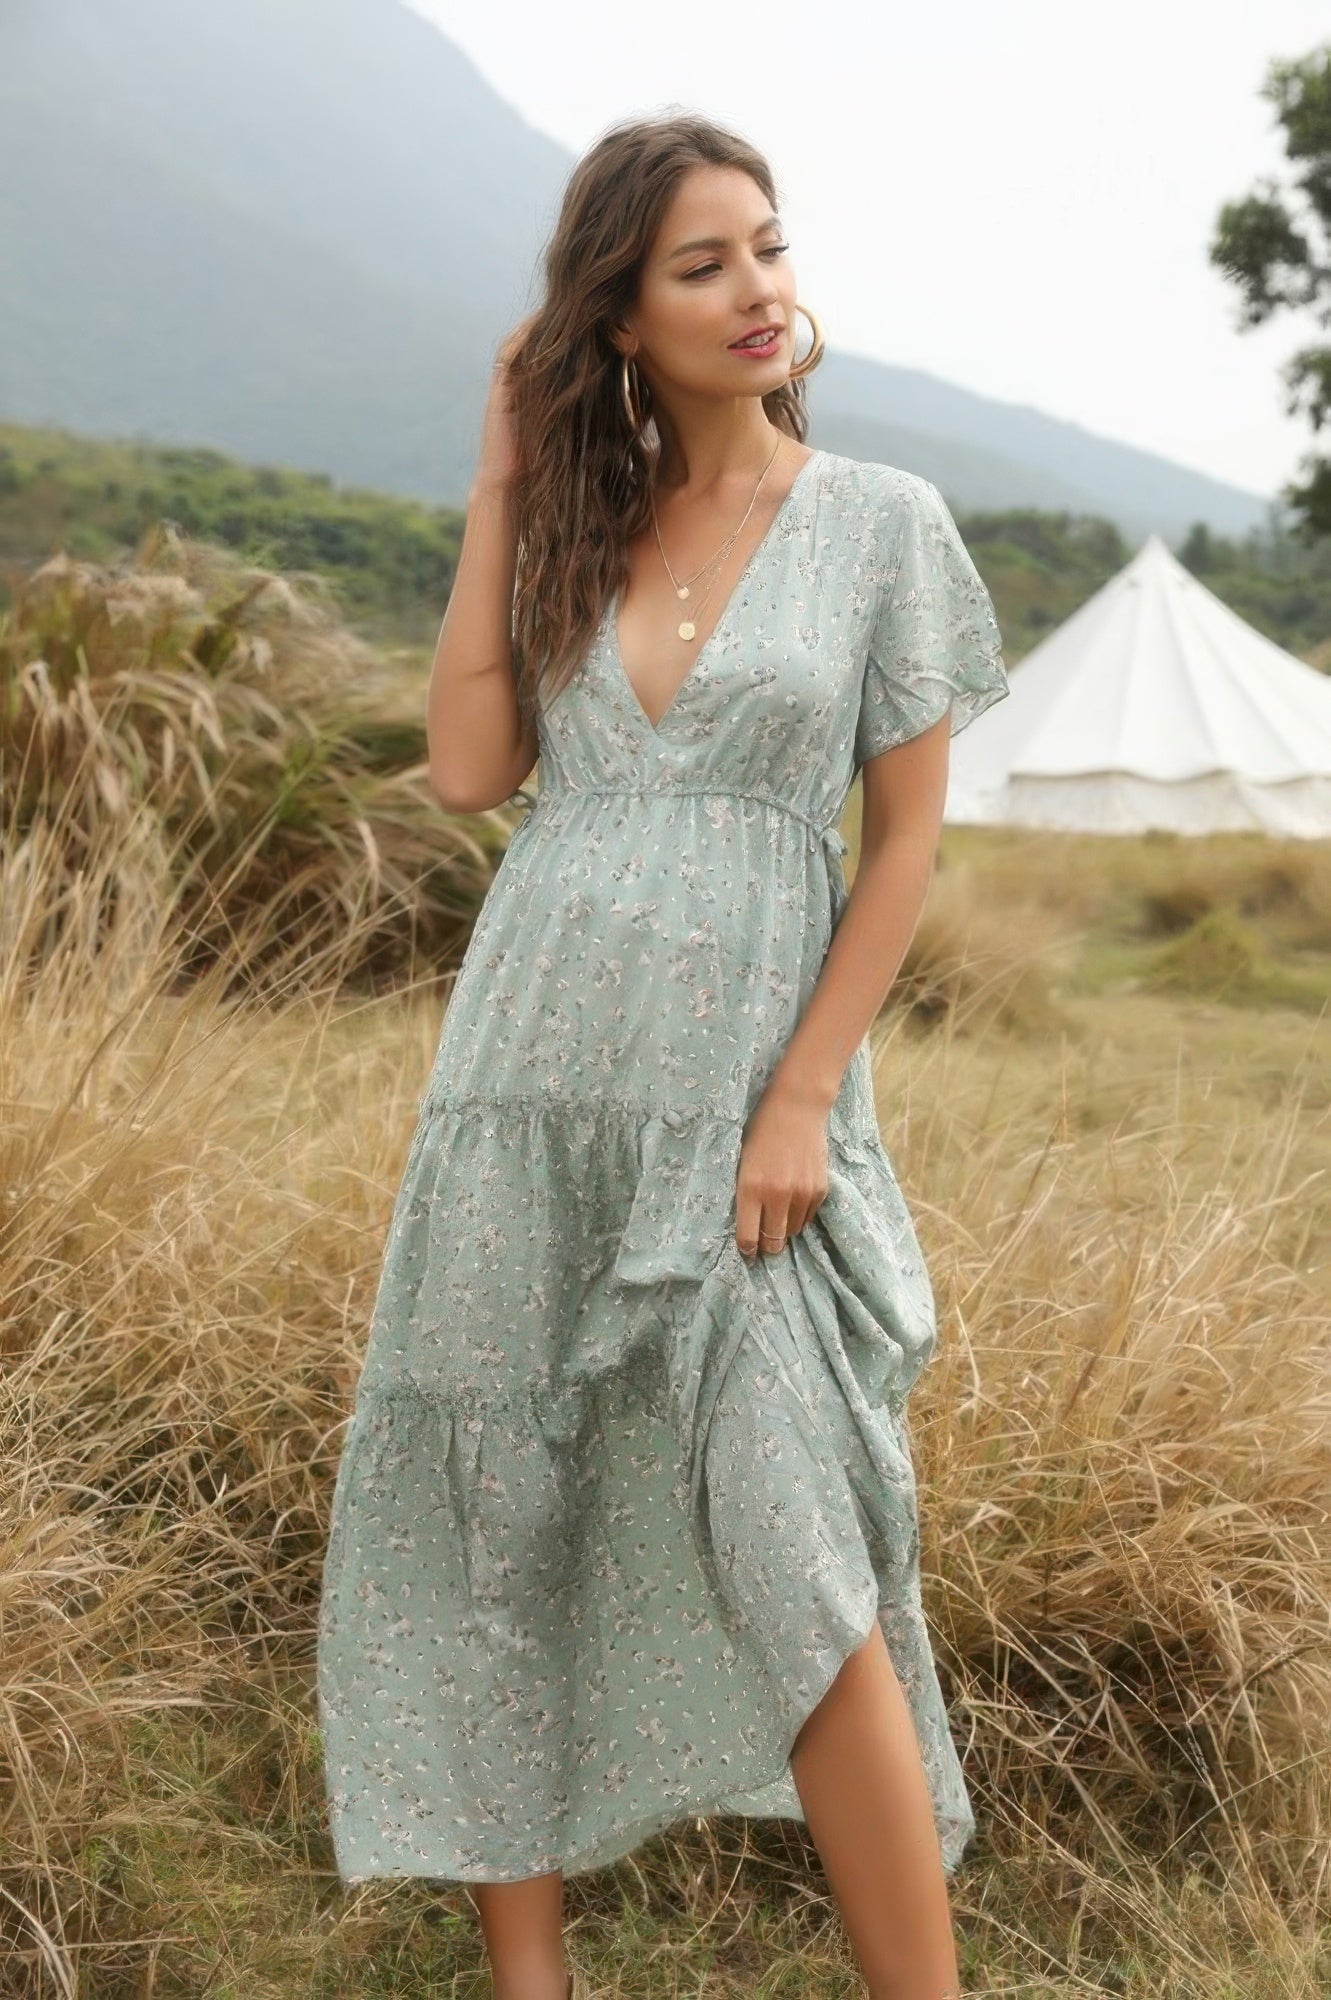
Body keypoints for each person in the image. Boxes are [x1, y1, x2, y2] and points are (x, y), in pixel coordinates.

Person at [317, 109, 1009, 2000]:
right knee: (499, 1522)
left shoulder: (881, 527)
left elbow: (909, 848)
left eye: (768, 248)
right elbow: (469, 775)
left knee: (802, 1547)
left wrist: (799, 1098)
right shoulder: (572, 530)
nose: (757, 290)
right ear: (620, 318)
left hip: (742, 1117)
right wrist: (499, 476)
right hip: (521, 1105)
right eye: (702, 265)